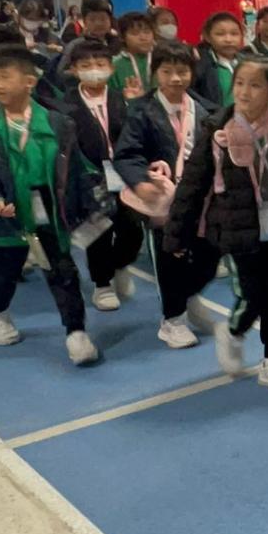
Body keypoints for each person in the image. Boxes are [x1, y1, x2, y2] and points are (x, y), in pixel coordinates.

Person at [166, 55, 268, 391]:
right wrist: (177, 236)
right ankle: (233, 330)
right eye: (240, 84)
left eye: (255, 85)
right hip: (236, 228)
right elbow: (192, 186)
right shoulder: (217, 131)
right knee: (253, 295)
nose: (244, 92)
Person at [0, 44, 101, 366]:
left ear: (29, 82)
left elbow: (75, 169)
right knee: (4, 271)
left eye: (6, 77)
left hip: (49, 213)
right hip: (7, 216)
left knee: (62, 271)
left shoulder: (59, 123)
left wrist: (87, 206)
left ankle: (76, 332)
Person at [113, 40, 218, 350]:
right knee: (169, 258)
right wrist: (141, 181)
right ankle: (172, 321)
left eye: (182, 71)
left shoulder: (206, 109)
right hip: (162, 198)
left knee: (209, 255)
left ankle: (189, 295)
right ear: (155, 73)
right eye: (167, 71)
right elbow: (126, 155)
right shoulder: (141, 111)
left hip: (201, 196)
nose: (175, 78)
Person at [59, 38, 144, 313]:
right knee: (99, 232)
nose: (94, 70)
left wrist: (135, 104)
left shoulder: (122, 97)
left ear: (111, 67)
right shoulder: (64, 105)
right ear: (74, 70)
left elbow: (138, 133)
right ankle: (102, 284)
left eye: (100, 64)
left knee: (132, 229)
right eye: (86, 65)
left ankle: (119, 265)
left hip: (123, 174)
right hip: (89, 177)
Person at [54, 0, 120, 80]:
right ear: (84, 22)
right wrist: (84, 72)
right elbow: (61, 73)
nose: (98, 23)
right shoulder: (75, 45)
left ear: (110, 20)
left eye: (103, 19)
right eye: (92, 20)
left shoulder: (119, 43)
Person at [192, 12, 246, 106]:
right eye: (220, 34)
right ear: (208, 37)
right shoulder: (200, 65)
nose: (228, 39)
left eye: (234, 34)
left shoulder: (248, 63)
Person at [110, 12, 156, 99]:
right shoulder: (114, 65)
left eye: (147, 32)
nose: (143, 37)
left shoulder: (162, 60)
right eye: (135, 33)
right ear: (122, 37)